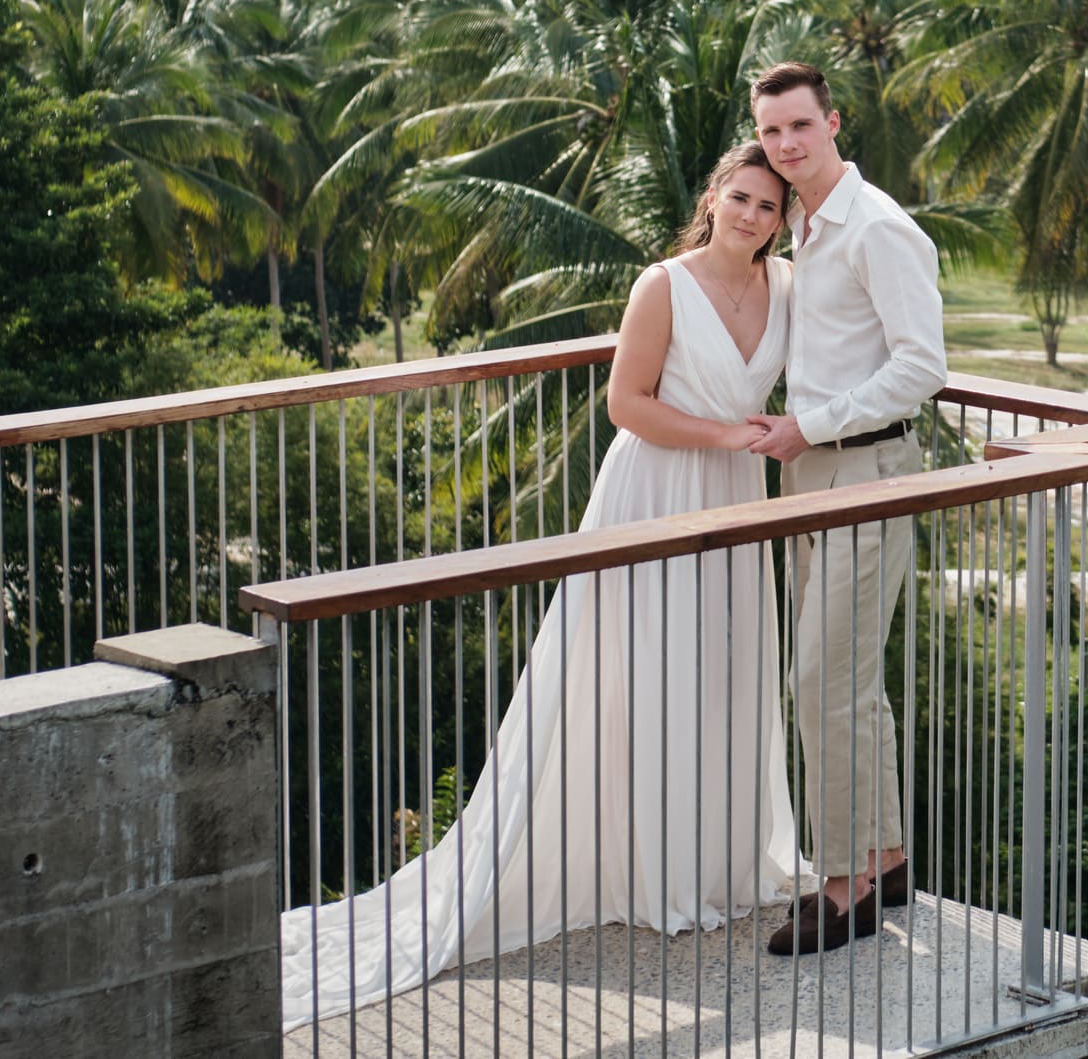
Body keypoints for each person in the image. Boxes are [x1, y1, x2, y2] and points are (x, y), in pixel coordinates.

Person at [280, 143, 800, 1029]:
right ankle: (649, 867)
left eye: (770, 206)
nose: (752, 216)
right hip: (658, 489)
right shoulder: (662, 284)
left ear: (784, 220)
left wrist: (786, 433)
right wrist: (725, 437)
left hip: (739, 498)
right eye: (741, 197)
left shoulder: (786, 286)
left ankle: (717, 858)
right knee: (641, 672)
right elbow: (625, 403)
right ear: (712, 198)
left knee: (724, 669)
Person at [742, 60, 947, 955]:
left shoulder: (876, 228)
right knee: (848, 679)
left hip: (866, 469)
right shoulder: (806, 227)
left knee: (822, 681)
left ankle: (844, 884)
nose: (785, 145)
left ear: (834, 123)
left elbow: (920, 366)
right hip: (812, 474)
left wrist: (809, 423)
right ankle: (888, 854)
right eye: (771, 130)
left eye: (799, 126)